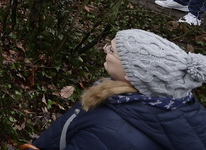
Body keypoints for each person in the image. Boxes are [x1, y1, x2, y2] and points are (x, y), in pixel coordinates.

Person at [32, 29, 206, 149]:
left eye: (112, 50)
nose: (105, 49)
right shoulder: (182, 105)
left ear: (134, 74)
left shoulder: (111, 133)